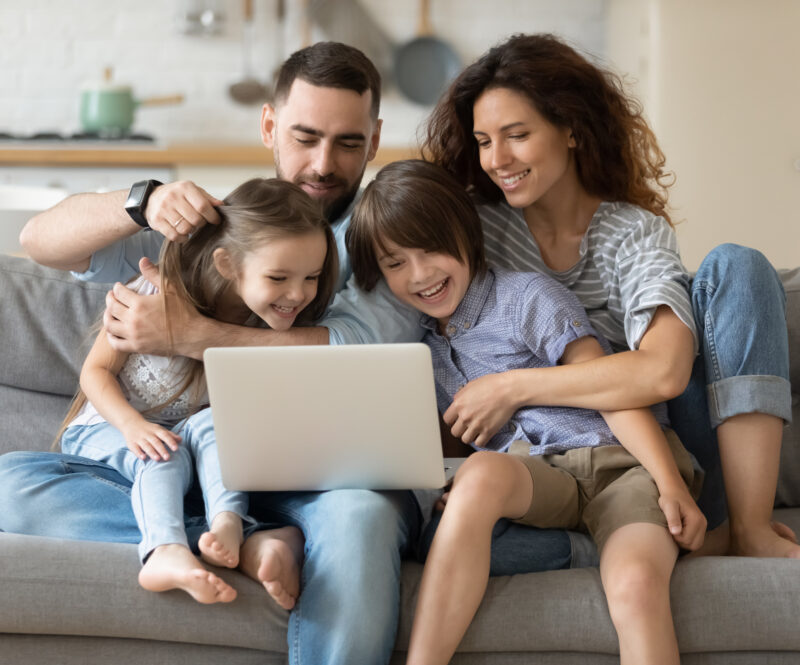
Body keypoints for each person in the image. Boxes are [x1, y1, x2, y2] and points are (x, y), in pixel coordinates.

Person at [1, 42, 581, 665]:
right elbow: (41, 243)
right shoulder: (221, 230)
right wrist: (139, 199)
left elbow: (356, 346)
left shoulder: (385, 235)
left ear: (375, 139)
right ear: (269, 125)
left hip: (334, 482)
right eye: (305, 137)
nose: (324, 164)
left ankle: (259, 536)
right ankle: (248, 541)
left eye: (348, 143)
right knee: (12, 485)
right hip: (208, 476)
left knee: (358, 519)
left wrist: (189, 334)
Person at [421, 33, 798, 559]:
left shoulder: (632, 233)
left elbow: (664, 372)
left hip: (665, 455)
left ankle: (748, 530)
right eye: (484, 141)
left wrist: (509, 387)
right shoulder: (473, 234)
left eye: (517, 134)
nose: (497, 159)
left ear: (571, 129)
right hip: (540, 471)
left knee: (738, 264)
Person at [347, 159, 706, 665]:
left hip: (620, 467)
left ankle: (684, 540)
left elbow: (613, 392)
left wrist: (669, 483)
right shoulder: (422, 352)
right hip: (540, 480)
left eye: (431, 250)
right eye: (395, 263)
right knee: (477, 477)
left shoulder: (526, 298)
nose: (420, 274)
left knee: (635, 583)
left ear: (466, 234)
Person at [54, 177, 336, 605]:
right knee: (159, 454)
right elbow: (94, 374)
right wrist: (132, 427)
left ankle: (226, 522)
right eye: (278, 276)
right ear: (226, 264)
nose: (297, 294)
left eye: (311, 277)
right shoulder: (154, 294)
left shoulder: (269, 326)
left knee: (212, 425)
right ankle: (167, 551)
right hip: (110, 430)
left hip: (191, 462)